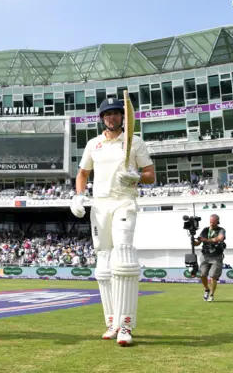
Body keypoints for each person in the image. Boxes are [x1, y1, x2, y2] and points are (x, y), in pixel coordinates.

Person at [70, 97, 155, 346]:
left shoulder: (134, 142)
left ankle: (125, 324)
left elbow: (150, 174)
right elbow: (83, 173)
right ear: (102, 118)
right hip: (100, 206)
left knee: (124, 254)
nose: (112, 117)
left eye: (117, 113)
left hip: (124, 202)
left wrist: (136, 177)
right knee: (104, 263)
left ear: (123, 117)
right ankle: (112, 322)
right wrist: (79, 195)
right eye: (108, 114)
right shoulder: (93, 144)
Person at [193, 214, 226, 302]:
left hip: (216, 257)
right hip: (205, 256)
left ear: (217, 222)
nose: (212, 224)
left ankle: (211, 294)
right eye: (210, 222)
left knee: (213, 277)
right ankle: (206, 289)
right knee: (203, 274)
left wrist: (206, 240)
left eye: (214, 223)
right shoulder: (205, 230)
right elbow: (198, 243)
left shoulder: (221, 230)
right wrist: (193, 241)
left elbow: (219, 238)